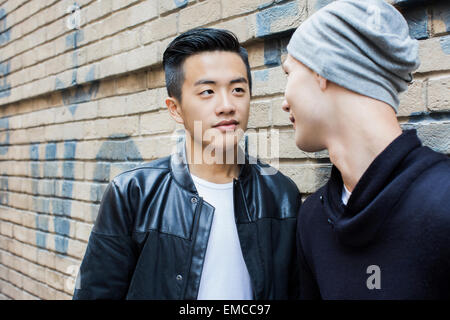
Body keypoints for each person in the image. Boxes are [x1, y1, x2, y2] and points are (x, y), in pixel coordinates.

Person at [73, 28, 301, 300]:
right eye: (207, 91)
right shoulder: (133, 193)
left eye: (238, 89)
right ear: (175, 109)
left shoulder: (281, 196)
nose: (227, 105)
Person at [281, 0, 450, 299]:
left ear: (323, 69)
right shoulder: (313, 219)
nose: (284, 101)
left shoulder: (443, 201)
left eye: (288, 73)